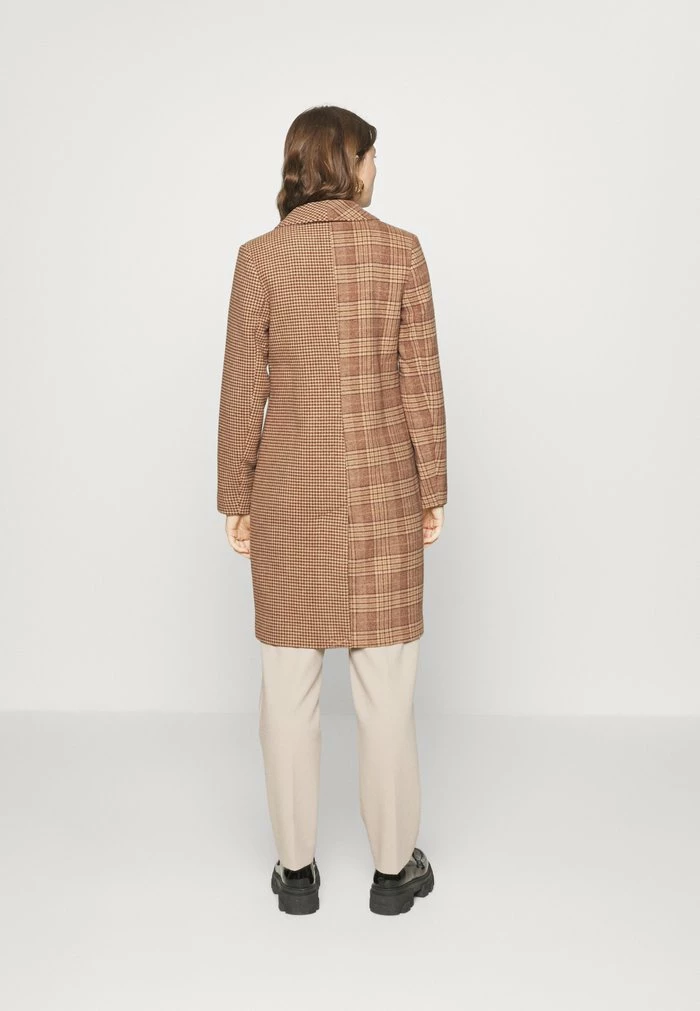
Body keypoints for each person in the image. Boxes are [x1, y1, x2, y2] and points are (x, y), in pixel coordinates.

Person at [217, 105, 447, 916]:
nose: (377, 170)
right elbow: (421, 383)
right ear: (348, 163)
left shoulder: (260, 258)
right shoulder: (401, 251)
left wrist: (235, 494)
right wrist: (432, 488)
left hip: (288, 494)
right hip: (383, 492)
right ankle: (393, 871)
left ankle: (296, 871)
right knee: (387, 692)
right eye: (371, 156)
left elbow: (243, 388)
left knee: (287, 688)